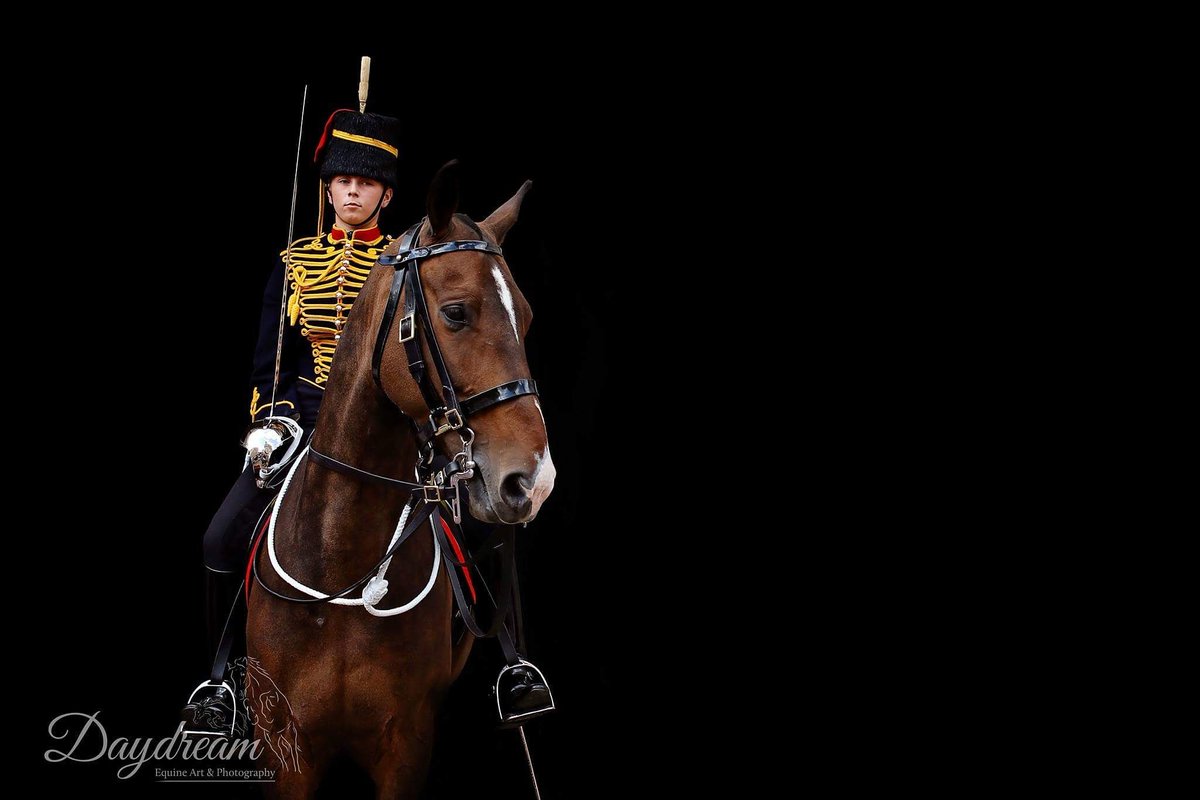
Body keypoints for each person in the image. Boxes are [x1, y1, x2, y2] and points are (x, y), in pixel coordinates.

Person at [181, 105, 552, 735]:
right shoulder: (295, 262)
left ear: (385, 193)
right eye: (342, 181)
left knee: (487, 525)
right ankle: (220, 679)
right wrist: (271, 422)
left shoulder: (406, 266)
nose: (352, 191)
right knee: (220, 536)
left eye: (366, 182)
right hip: (301, 428)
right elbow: (271, 359)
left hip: (396, 429)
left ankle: (511, 664)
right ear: (329, 189)